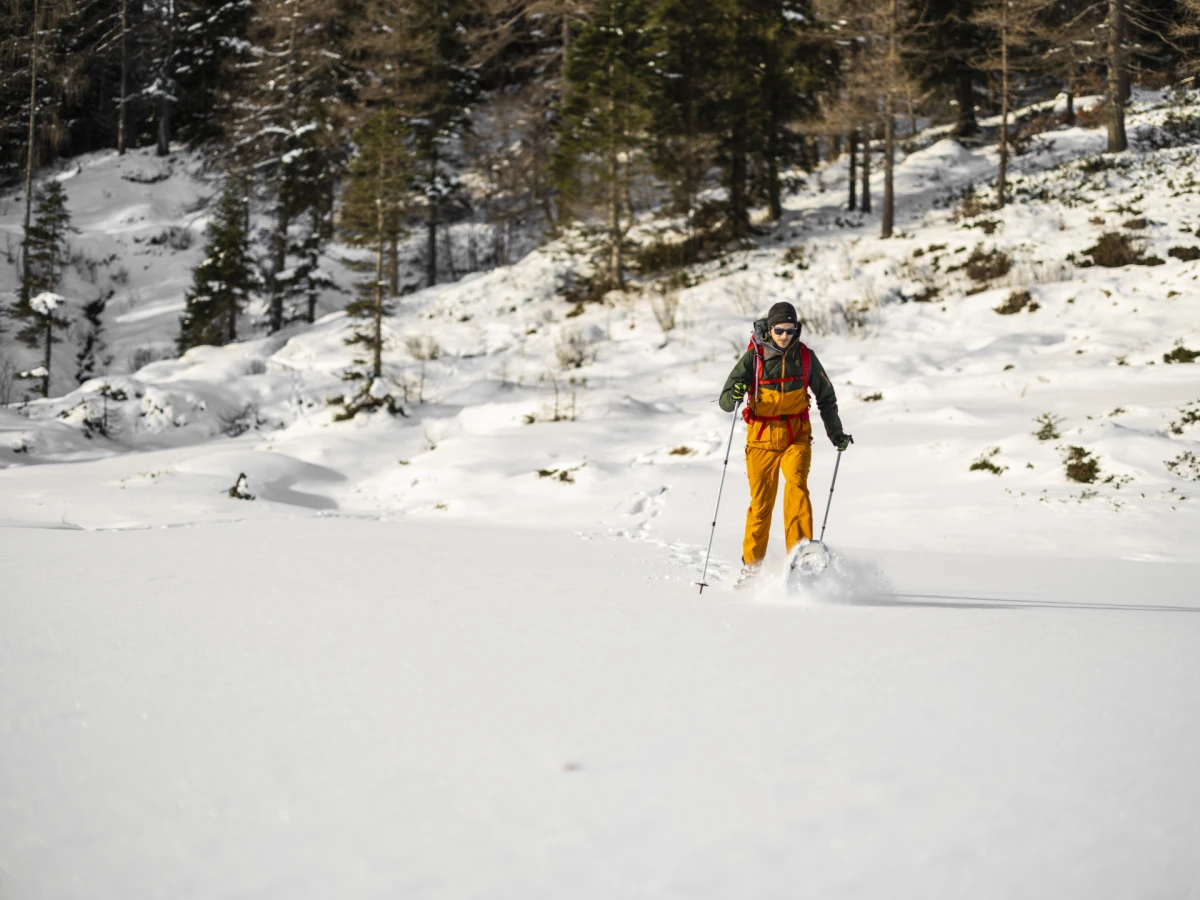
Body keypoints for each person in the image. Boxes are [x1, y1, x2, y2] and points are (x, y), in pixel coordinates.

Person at [718, 301, 852, 584]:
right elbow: (725, 401)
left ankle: (800, 556)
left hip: (796, 434)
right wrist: (736, 393)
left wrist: (836, 433)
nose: (785, 336)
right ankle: (751, 567)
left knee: (797, 486)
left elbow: (826, 397)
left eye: (791, 330)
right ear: (770, 328)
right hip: (761, 439)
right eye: (779, 330)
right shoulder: (753, 358)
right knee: (761, 503)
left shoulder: (805, 357)